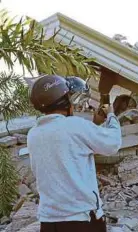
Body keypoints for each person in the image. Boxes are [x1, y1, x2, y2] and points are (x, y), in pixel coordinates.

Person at [27, 75, 122, 232]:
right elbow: (112, 144)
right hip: (80, 219)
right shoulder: (75, 126)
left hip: (49, 221)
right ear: (66, 101)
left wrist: (94, 125)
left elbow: (69, 147)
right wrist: (111, 115)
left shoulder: (33, 134)